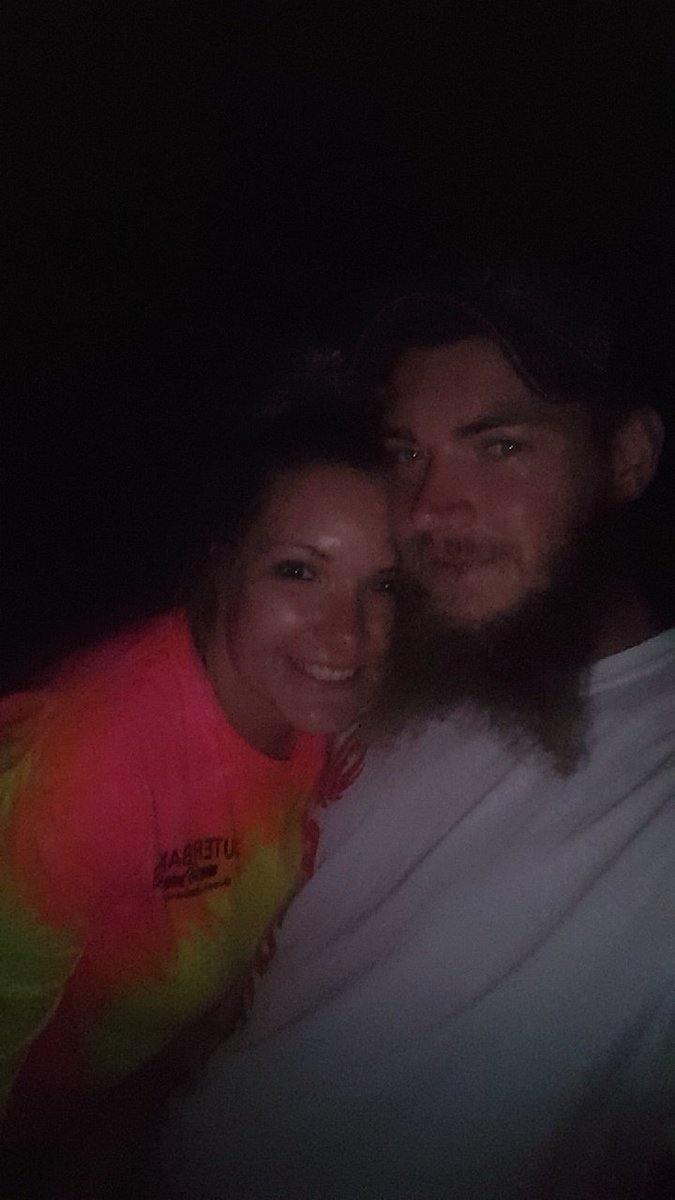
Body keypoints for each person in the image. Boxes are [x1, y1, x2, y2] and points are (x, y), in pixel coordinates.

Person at [158, 268, 675, 1199]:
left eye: (500, 447)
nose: (431, 507)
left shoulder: (655, 786)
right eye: (405, 453)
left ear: (627, 457)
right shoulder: (374, 652)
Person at [0, 389, 398, 1182]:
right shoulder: (89, 762)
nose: (347, 633)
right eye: (298, 572)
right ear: (222, 563)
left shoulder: (320, 716)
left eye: (383, 586)